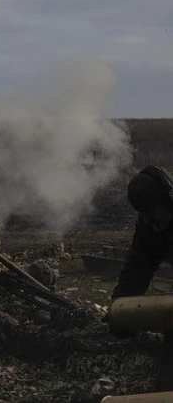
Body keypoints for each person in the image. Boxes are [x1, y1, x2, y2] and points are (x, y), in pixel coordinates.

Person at [108, 165, 173, 392]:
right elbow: (138, 266)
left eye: (152, 213)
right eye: (144, 215)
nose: (150, 222)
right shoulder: (148, 225)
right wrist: (121, 309)